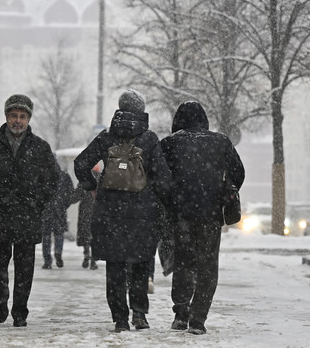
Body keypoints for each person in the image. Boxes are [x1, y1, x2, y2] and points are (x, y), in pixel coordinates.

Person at [73, 89, 171, 332]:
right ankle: (139, 313)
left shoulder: (107, 137)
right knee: (140, 264)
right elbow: (163, 178)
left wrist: (92, 187)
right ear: (141, 109)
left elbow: (81, 163)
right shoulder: (148, 139)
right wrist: (156, 197)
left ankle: (120, 318)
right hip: (142, 214)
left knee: (115, 266)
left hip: (110, 213)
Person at [0, 93, 59, 328]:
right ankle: (2, 293)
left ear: (28, 119)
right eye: (13, 116)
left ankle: (20, 311)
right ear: (6, 117)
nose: (17, 120)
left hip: (27, 214)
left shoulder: (40, 147)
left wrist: (38, 202)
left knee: (25, 267)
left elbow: (53, 180)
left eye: (22, 116)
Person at [160, 101, 245, 335]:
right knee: (208, 266)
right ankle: (198, 319)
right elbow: (239, 172)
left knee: (183, 263)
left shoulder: (169, 143)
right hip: (210, 214)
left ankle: (180, 313)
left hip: (180, 214)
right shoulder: (220, 142)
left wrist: (171, 199)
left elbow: (157, 176)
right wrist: (223, 188)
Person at [41, 162, 76, 269]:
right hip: (60, 211)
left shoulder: (43, 176)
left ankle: (47, 260)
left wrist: (41, 206)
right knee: (59, 234)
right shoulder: (64, 176)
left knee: (46, 236)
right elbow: (71, 193)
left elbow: (38, 193)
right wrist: (64, 205)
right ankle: (58, 252)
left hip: (46, 211)